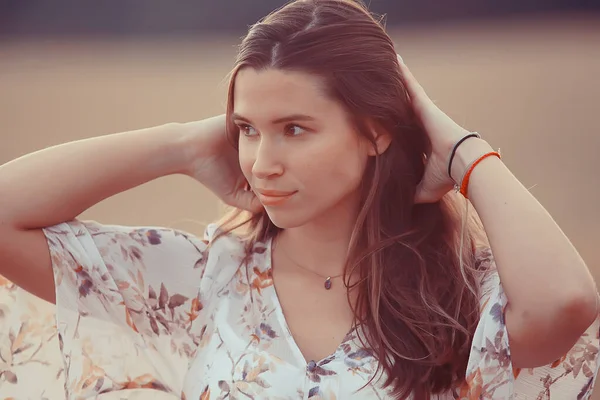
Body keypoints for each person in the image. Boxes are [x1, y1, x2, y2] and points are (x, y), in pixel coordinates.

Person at [0, 0, 598, 399]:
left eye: (294, 128)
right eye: (247, 129)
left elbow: (568, 302)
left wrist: (464, 153)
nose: (262, 163)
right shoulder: (205, 280)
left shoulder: (459, 294)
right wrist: (181, 146)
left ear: (375, 130)